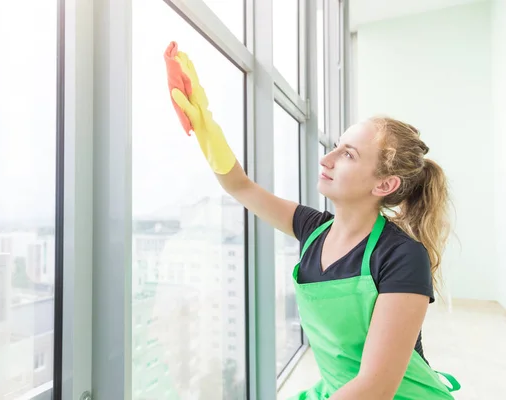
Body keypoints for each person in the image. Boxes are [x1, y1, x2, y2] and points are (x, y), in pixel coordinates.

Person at [163, 43, 461, 399]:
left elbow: (377, 387)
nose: (327, 158)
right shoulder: (313, 228)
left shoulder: (402, 257)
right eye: (336, 145)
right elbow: (240, 186)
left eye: (348, 154)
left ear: (385, 184)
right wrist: (204, 122)